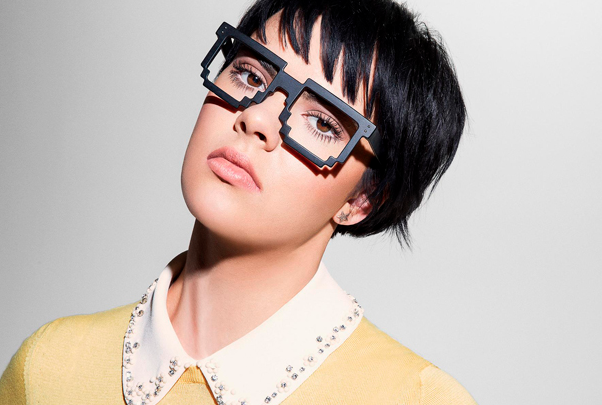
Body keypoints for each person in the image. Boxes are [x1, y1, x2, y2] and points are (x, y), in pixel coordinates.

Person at [0, 0, 476, 404]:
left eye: (323, 123)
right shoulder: (49, 368)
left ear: (363, 198)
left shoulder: (415, 397)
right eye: (250, 75)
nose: (257, 119)